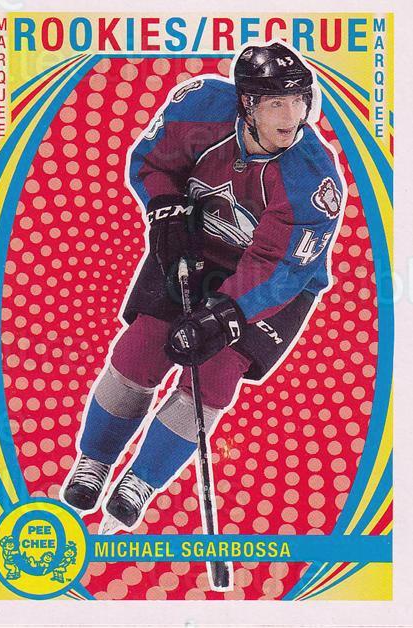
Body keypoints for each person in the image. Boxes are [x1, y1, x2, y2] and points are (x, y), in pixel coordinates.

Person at [61, 42, 345, 534]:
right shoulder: (200, 108)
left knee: (212, 375)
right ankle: (95, 461)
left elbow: (281, 268)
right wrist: (165, 206)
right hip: (197, 246)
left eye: (300, 100)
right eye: (276, 102)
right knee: (139, 352)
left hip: (275, 283)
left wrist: (227, 314)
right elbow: (153, 162)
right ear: (247, 104)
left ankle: (140, 482)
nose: (292, 116)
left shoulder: (312, 181)